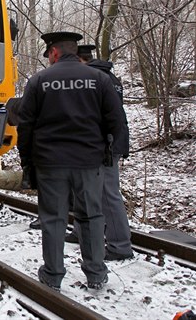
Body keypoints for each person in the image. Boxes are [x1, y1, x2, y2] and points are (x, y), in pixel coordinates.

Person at [17, 31, 125, 292]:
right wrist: (109, 153)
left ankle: (53, 275)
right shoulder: (99, 78)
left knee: (53, 218)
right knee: (91, 216)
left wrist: (27, 159)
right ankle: (96, 273)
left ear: (54, 52)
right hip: (89, 162)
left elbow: (25, 125)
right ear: (74, 51)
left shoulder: (39, 80)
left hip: (50, 162)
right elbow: (116, 120)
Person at [64, 44, 134, 261]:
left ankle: (119, 245)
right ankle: (80, 231)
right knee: (82, 190)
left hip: (103, 145)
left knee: (107, 193)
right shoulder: (109, 77)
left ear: (80, 60)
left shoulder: (95, 79)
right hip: (98, 143)